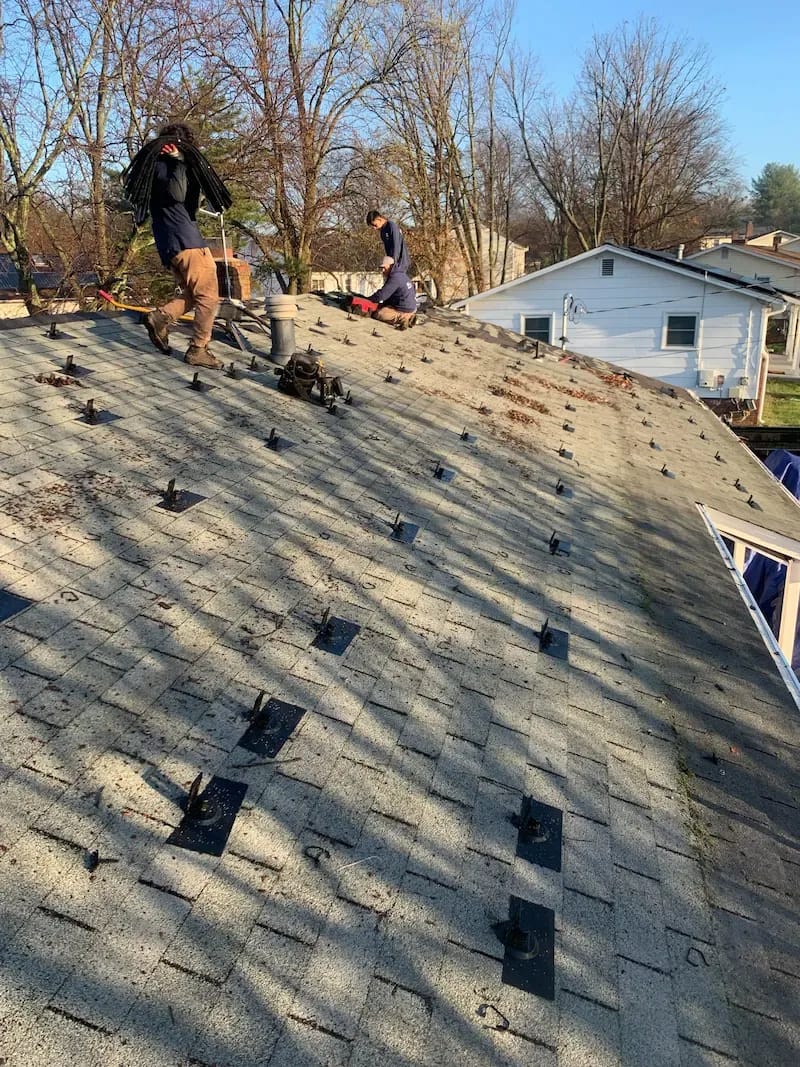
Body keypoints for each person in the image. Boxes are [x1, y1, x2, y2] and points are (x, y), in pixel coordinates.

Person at [143, 123, 221, 368]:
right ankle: (198, 349)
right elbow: (177, 194)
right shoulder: (167, 167)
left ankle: (161, 317)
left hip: (170, 244)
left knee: (193, 294)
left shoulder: (153, 171)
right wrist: (178, 161)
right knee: (209, 297)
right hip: (187, 242)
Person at [368, 265, 418, 329]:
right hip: (410, 307)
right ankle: (409, 315)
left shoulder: (395, 278)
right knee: (382, 307)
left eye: (384, 268)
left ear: (390, 266)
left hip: (404, 308)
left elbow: (381, 295)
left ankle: (404, 318)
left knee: (379, 314)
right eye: (381, 268)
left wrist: (369, 299)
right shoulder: (402, 275)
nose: (382, 271)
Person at [366, 210, 411, 275]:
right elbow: (388, 250)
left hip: (400, 262)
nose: (374, 228)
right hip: (391, 263)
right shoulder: (382, 232)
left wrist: (393, 264)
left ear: (379, 219)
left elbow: (396, 246)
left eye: (375, 225)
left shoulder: (391, 226)